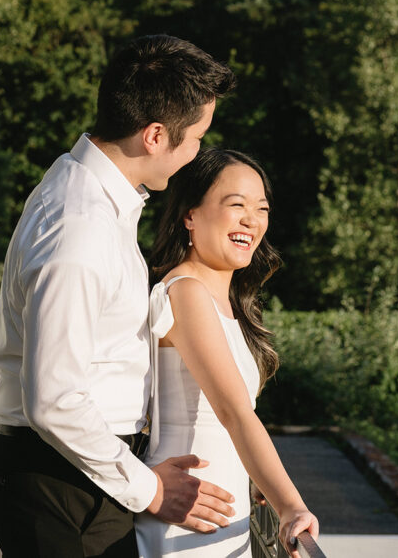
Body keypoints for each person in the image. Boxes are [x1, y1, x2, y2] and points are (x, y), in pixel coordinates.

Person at [0, 35, 239, 557]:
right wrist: (152, 491)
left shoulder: (90, 196)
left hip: (79, 475)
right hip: (60, 485)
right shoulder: (79, 228)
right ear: (154, 135)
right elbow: (54, 400)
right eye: (195, 139)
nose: (197, 154)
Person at [135, 148, 320, 558]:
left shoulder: (226, 303)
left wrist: (255, 480)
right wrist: (291, 505)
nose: (252, 220)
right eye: (236, 205)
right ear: (190, 215)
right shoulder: (186, 290)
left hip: (223, 514)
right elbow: (234, 412)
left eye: (261, 208)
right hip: (189, 515)